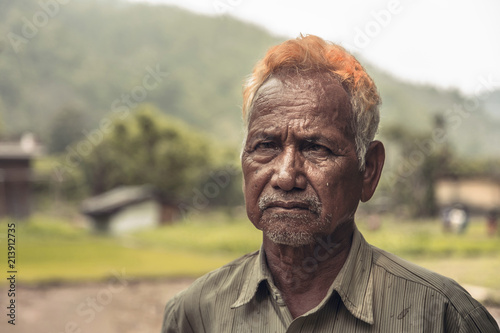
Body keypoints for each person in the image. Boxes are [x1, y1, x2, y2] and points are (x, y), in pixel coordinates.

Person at [162, 35, 500, 332]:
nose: (284, 176)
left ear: (368, 170)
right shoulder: (195, 314)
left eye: (316, 148)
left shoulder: (442, 317)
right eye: (265, 146)